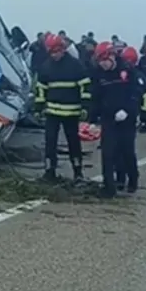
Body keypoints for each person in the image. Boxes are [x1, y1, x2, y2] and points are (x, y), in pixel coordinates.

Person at [33, 32, 91, 182]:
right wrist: (38, 108)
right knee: (50, 142)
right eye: (52, 52)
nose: (54, 55)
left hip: (71, 112)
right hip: (52, 112)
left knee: (74, 142)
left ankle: (78, 173)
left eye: (57, 51)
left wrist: (85, 108)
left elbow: (85, 88)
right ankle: (49, 171)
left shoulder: (75, 65)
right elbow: (41, 89)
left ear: (63, 49)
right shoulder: (45, 67)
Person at [89, 42, 144, 196]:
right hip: (109, 118)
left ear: (112, 57)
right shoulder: (99, 74)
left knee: (126, 151)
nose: (103, 65)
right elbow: (95, 97)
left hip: (127, 119)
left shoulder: (127, 71)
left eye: (105, 61)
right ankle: (109, 187)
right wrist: (93, 119)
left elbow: (136, 93)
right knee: (107, 153)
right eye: (100, 62)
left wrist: (128, 110)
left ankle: (132, 178)